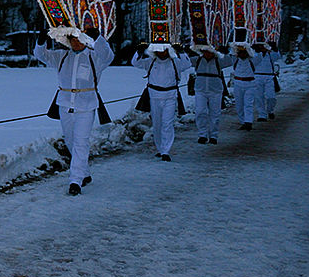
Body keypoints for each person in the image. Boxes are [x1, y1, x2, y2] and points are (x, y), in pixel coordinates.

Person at [34, 26, 114, 195]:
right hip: (65, 104)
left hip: (86, 105)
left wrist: (98, 37)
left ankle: (75, 180)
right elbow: (41, 55)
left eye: (78, 39)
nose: (76, 43)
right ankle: (84, 173)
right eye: (72, 39)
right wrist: (41, 41)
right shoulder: (62, 57)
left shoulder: (94, 57)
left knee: (81, 141)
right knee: (70, 140)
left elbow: (108, 56)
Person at [131, 42, 192, 161]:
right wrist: (139, 51)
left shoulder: (175, 62)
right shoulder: (151, 62)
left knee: (167, 123)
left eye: (164, 50)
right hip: (154, 96)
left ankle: (166, 150)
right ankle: (160, 148)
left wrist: (181, 52)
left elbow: (187, 64)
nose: (161, 53)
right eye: (159, 50)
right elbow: (135, 63)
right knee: (157, 124)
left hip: (170, 96)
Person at [190, 44, 233, 144]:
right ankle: (202, 134)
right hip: (200, 89)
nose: (207, 54)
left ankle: (213, 135)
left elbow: (231, 60)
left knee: (215, 113)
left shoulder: (219, 60)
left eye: (209, 51)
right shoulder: (197, 60)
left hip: (215, 90)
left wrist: (225, 50)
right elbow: (185, 61)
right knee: (200, 112)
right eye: (205, 51)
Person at [230, 41, 258, 130]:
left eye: (244, 52)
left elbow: (254, 53)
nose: (242, 54)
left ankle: (248, 122)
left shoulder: (252, 60)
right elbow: (232, 50)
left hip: (250, 83)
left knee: (248, 104)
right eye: (240, 52)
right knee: (239, 104)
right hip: (238, 83)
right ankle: (243, 121)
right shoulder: (235, 60)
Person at [252, 42, 280, 121]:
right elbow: (252, 62)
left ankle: (270, 110)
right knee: (259, 97)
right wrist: (259, 53)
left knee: (271, 97)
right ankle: (262, 114)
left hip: (269, 76)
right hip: (257, 76)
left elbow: (277, 56)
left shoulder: (270, 54)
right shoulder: (254, 54)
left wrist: (274, 48)